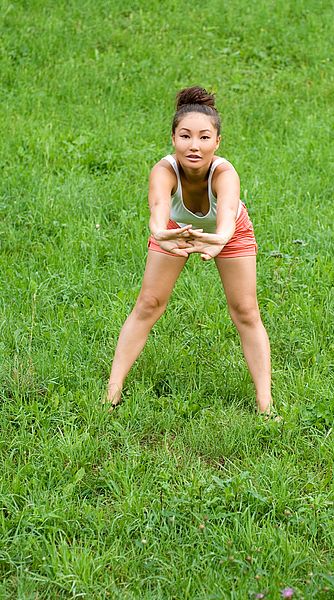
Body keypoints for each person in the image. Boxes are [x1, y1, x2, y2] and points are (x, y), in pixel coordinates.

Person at [105, 86, 276, 418]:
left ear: (217, 142)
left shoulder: (224, 173)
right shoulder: (164, 170)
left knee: (245, 310)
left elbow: (225, 223)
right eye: (185, 136)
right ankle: (111, 393)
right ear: (173, 138)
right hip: (176, 231)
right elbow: (157, 216)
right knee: (148, 304)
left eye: (203, 137)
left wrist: (217, 241)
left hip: (232, 233)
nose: (194, 145)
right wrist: (162, 235)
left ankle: (265, 405)